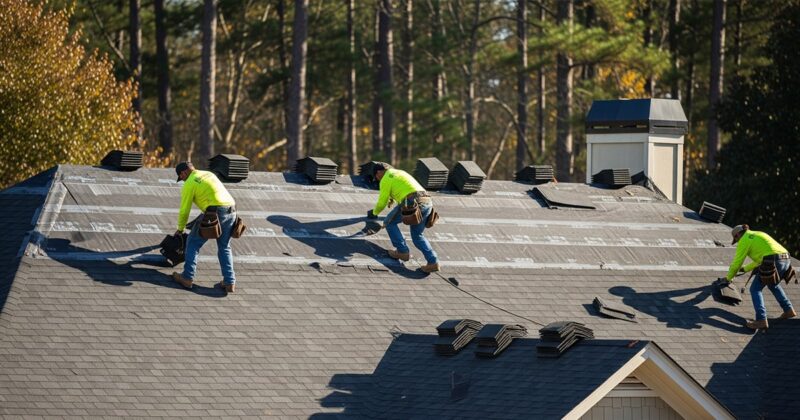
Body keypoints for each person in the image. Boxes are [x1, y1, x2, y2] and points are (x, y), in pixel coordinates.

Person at [171, 162, 238, 293]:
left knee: (192, 243)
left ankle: (187, 277)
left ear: (184, 173)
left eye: (181, 177)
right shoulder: (208, 174)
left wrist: (180, 229)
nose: (182, 180)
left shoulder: (189, 183)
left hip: (215, 212)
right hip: (232, 211)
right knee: (224, 247)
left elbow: (184, 210)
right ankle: (229, 282)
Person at [368, 162, 440, 273]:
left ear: (378, 172)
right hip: (427, 201)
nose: (377, 180)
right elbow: (404, 188)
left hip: (412, 201)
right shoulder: (400, 172)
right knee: (417, 235)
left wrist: (374, 213)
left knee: (389, 222)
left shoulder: (386, 178)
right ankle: (433, 262)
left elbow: (382, 202)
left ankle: (402, 251)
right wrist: (392, 198)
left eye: (376, 177)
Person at [724, 224, 796, 329]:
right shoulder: (758, 234)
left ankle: (761, 320)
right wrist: (745, 269)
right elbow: (760, 260)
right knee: (773, 285)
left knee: (755, 289)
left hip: (773, 260)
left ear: (738, 235)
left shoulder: (744, 240)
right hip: (785, 259)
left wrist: (728, 279)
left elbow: (737, 263)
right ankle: (788, 310)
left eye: (737, 239)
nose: (738, 242)